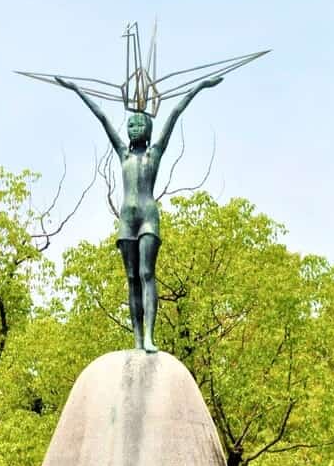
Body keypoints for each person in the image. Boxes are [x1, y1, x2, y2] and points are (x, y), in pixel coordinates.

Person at [54, 74, 222, 353]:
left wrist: (199, 87)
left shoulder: (154, 154)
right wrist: (76, 90)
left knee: (147, 273)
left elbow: (176, 113)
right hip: (127, 219)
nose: (134, 127)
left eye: (140, 124)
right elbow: (103, 119)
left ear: (149, 129)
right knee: (131, 278)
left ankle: (149, 336)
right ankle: (136, 339)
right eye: (131, 123)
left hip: (147, 216)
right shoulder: (124, 154)